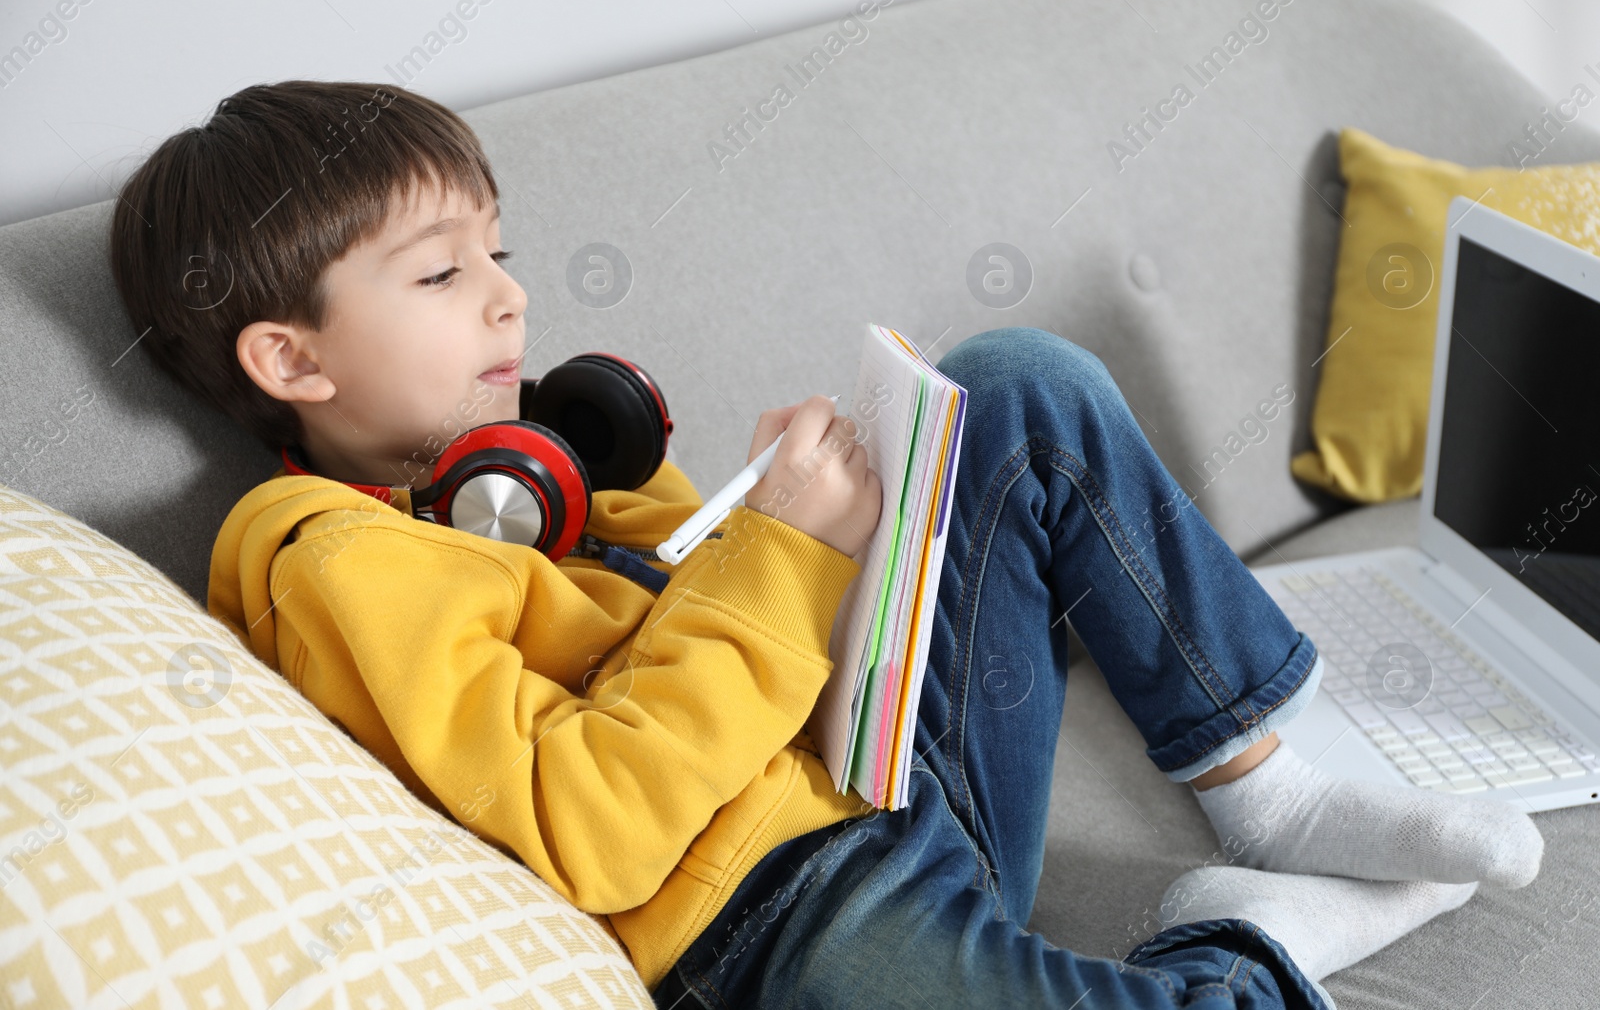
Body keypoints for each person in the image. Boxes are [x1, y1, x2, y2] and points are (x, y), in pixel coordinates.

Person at [109, 79, 1543, 1010]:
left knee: (1021, 383)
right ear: (291, 360)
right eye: (439, 273)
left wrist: (836, 501)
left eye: (500, 250)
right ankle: (1243, 941)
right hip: (781, 917)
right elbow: (591, 822)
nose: (507, 302)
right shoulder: (330, 562)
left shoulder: (541, 474)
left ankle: (1262, 786)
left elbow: (720, 618)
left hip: (869, 773)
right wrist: (781, 553)